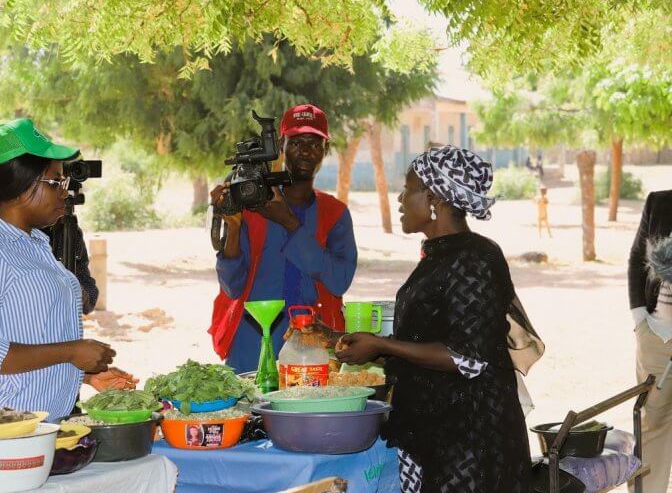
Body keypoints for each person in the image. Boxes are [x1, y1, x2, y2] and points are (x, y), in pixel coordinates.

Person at [335, 145, 543, 493]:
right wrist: (365, 345)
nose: (400, 198)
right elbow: (427, 336)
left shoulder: (475, 259)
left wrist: (383, 344)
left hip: (469, 442)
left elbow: (469, 357)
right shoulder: (440, 255)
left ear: (434, 198)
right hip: (435, 429)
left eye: (408, 188)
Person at [0, 118, 133, 421]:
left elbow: (34, 334)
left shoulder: (34, 242)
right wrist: (71, 352)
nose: (65, 191)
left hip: (35, 429)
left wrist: (82, 375)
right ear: (20, 188)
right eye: (56, 182)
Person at [209, 104, 358, 374]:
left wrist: (288, 222)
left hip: (313, 347)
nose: (305, 150)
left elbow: (339, 280)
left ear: (325, 150)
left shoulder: (334, 214)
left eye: (314, 143)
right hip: (251, 344)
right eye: (296, 142)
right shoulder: (253, 206)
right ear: (280, 145)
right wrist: (232, 228)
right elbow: (232, 287)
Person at [628, 189, 672, 492]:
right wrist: (641, 320)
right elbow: (635, 259)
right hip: (659, 334)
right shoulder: (659, 201)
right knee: (652, 423)